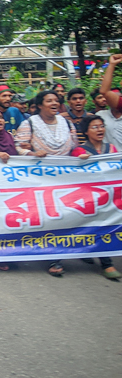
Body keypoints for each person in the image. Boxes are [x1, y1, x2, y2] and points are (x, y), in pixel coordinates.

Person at [15, 90, 78, 278]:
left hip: (66, 178)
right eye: (49, 101)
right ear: (40, 105)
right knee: (48, 215)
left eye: (56, 100)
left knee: (66, 215)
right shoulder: (30, 124)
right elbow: (18, 146)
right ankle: (53, 257)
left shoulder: (67, 123)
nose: (54, 103)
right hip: (39, 179)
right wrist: (31, 154)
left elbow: (74, 147)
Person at [69, 114, 122, 280]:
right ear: (86, 131)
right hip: (88, 197)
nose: (99, 130)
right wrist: (79, 161)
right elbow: (69, 174)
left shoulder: (111, 149)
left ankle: (102, 260)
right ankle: (105, 263)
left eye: (101, 126)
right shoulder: (79, 151)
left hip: (109, 196)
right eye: (94, 127)